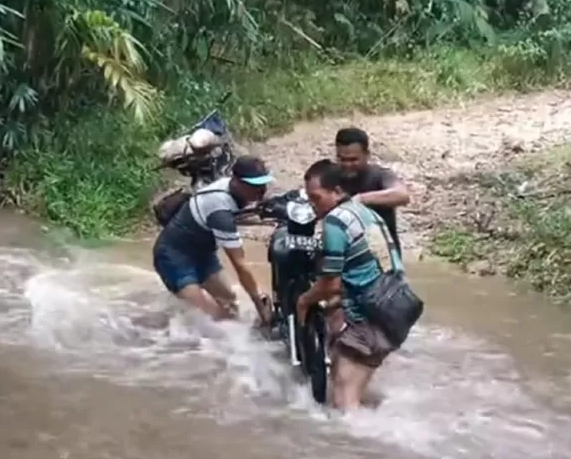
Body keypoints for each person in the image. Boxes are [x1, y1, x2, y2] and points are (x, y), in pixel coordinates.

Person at [296, 159, 402, 411]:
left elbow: (330, 283)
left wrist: (304, 301)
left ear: (337, 191)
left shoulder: (335, 221)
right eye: (309, 199)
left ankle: (358, 447)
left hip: (372, 315)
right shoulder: (365, 212)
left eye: (317, 198)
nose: (313, 206)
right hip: (397, 305)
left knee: (343, 405)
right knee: (349, 385)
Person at [152, 155, 274, 324]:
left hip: (203, 254)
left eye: (263, 183)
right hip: (173, 257)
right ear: (237, 182)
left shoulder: (235, 190)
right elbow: (240, 264)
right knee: (209, 318)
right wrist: (259, 305)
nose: (261, 189)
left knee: (229, 303)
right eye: (254, 185)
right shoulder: (219, 211)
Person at [333, 127, 410, 250]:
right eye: (342, 159)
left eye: (353, 159)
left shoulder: (380, 175)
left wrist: (359, 200)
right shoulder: (332, 177)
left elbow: (402, 195)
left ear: (367, 155)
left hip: (382, 254)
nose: (347, 164)